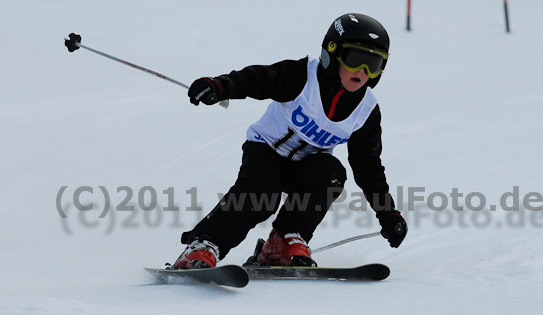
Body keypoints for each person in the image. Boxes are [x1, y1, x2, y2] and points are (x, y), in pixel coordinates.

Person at [173, 13, 407, 269]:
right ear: (332, 52)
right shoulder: (302, 77)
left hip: (306, 167)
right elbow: (257, 79)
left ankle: (282, 242)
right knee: (262, 194)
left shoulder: (366, 111)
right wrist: (220, 85)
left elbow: (368, 167)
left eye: (373, 64)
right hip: (266, 151)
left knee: (331, 174)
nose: (362, 72)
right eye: (355, 60)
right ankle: (205, 245)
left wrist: (387, 213)